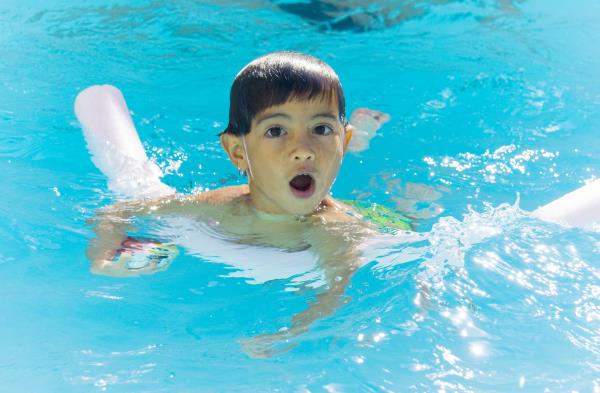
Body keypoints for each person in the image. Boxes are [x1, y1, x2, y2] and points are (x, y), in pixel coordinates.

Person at [85, 51, 407, 357]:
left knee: (408, 214)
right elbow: (117, 212)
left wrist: (287, 334)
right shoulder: (222, 206)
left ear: (341, 139)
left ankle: (359, 135)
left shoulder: (334, 231)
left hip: (381, 218)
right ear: (238, 152)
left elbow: (335, 295)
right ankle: (353, 135)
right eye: (276, 130)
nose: (303, 148)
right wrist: (105, 252)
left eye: (322, 129)